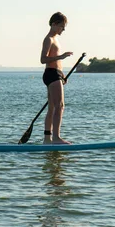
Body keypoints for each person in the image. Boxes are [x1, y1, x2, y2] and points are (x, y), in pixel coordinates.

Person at [40, 12, 73, 144]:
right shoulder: (48, 39)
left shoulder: (56, 39)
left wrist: (62, 75)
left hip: (56, 74)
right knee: (60, 105)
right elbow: (43, 59)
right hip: (51, 74)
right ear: (54, 24)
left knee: (53, 107)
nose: (63, 30)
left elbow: (56, 62)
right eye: (61, 26)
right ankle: (56, 138)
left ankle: (47, 139)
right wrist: (61, 57)